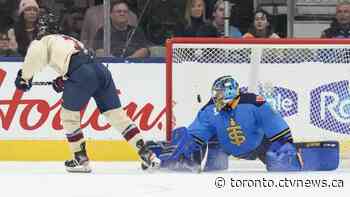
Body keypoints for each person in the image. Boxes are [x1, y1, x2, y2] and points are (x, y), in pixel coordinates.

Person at [14, 33, 160, 172]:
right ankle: (147, 154)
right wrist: (65, 79)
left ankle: (80, 159)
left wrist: (24, 78)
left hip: (82, 73)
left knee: (68, 117)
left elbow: (33, 59)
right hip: (100, 70)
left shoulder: (40, 42)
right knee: (116, 116)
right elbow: (76, 60)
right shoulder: (66, 39)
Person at [147, 76, 339, 172]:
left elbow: (275, 124)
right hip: (224, 145)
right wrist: (176, 152)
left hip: (259, 145)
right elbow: (196, 136)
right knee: (208, 164)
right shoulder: (209, 109)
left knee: (280, 162)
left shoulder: (254, 102)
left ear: (231, 93)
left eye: (220, 94)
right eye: (215, 94)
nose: (216, 98)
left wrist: (286, 144)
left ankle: (295, 161)